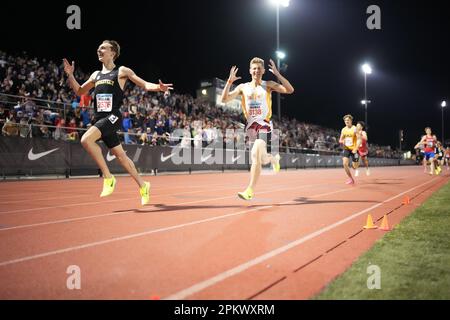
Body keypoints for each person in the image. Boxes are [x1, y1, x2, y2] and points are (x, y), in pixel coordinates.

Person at [63, 40, 173, 205]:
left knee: (86, 140)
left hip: (113, 117)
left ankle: (108, 177)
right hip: (99, 118)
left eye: (103, 48)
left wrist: (159, 88)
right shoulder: (95, 75)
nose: (99, 50)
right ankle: (144, 186)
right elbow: (80, 91)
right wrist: (70, 75)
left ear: (112, 52)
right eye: (98, 47)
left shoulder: (121, 71)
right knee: (121, 156)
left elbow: (144, 84)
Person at [221, 57, 294, 200]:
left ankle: (250, 190)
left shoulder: (269, 84)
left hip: (264, 125)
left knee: (255, 154)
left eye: (259, 69)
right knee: (261, 158)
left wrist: (278, 75)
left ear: (263, 71)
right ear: (250, 71)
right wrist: (229, 82)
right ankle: (273, 159)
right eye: (254, 68)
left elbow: (290, 90)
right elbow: (224, 99)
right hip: (251, 128)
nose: (256, 71)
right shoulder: (243, 87)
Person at [339, 114, 361, 185]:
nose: (346, 121)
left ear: (351, 120)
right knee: (345, 163)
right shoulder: (343, 129)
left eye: (348, 120)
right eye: (345, 120)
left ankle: (355, 164)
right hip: (346, 148)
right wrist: (343, 141)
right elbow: (340, 139)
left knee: (355, 167)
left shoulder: (354, 128)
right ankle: (351, 178)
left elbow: (359, 139)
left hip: (354, 149)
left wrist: (356, 148)